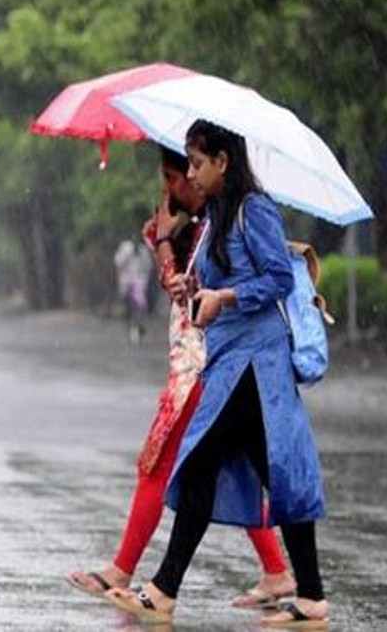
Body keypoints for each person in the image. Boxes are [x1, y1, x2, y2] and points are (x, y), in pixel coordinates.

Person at [105, 121, 330, 628]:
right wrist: (193, 285)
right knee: (275, 476)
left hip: (255, 366)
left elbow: (274, 279)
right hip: (229, 361)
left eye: (198, 163)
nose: (191, 173)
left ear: (224, 162)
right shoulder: (215, 218)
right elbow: (223, 276)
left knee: (202, 464)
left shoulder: (256, 211)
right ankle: (310, 594)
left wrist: (226, 297)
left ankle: (163, 589)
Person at [67, 146, 295, 608]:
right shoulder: (206, 222)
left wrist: (168, 244)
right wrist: (166, 242)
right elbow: (183, 290)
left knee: (165, 461)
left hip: (206, 364)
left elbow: (212, 292)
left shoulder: (225, 223)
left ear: (211, 170)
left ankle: (136, 574)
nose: (173, 185)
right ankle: (279, 572)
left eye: (183, 172)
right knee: (228, 469)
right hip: (202, 361)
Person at [113, 237, 153, 344]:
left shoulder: (143, 252)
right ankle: (131, 325)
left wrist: (144, 284)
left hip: (140, 283)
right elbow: (118, 264)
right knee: (129, 307)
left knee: (140, 307)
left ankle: (138, 326)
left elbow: (148, 268)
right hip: (127, 282)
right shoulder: (125, 249)